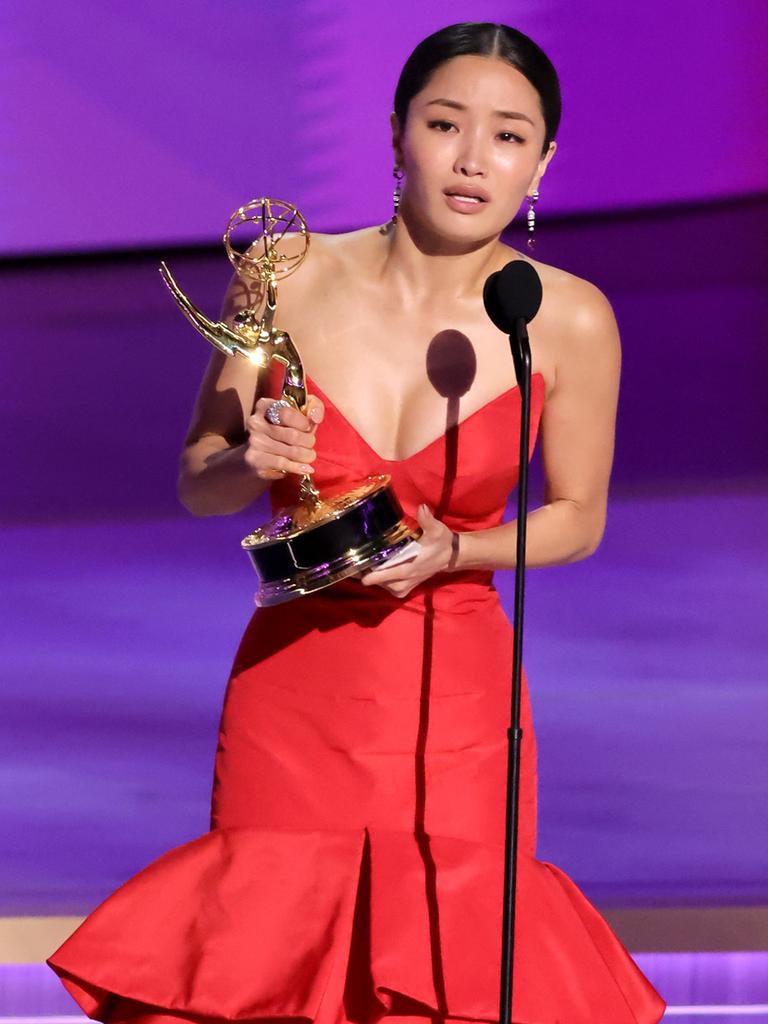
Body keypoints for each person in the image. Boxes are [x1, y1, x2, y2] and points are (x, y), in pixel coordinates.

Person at [47, 21, 666, 1024]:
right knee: (272, 972)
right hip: (297, 690)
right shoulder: (286, 276)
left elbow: (576, 518)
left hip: (456, 707)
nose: (473, 157)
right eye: (444, 123)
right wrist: (248, 460)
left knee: (446, 975)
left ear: (542, 163)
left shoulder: (568, 318)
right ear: (395, 135)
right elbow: (198, 478)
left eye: (509, 136)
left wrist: (459, 549)